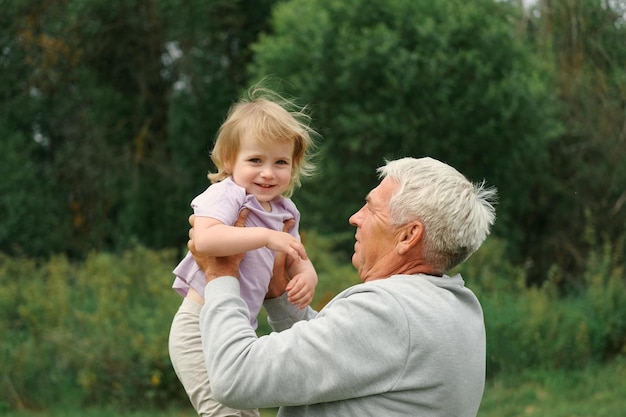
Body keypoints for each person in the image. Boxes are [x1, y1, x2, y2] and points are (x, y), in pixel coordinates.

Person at [187, 156, 498, 417]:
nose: (354, 218)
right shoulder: (457, 307)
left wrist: (221, 275)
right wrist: (281, 295)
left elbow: (234, 377)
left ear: (408, 236)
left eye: (371, 208)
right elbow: (342, 352)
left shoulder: (389, 311)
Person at [169, 85, 319, 417]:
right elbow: (205, 241)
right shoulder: (227, 194)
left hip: (238, 328)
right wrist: (265, 237)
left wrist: (307, 275)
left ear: (293, 166)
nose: (268, 172)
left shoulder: (285, 210)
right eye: (255, 160)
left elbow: (295, 256)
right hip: (198, 326)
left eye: (280, 162)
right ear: (228, 160)